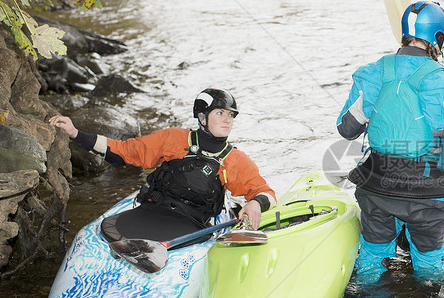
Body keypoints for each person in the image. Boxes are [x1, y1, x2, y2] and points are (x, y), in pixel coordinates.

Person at [337, 1, 444, 283]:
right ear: (438, 39)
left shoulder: (371, 72)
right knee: (428, 268)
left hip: (377, 184)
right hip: (427, 193)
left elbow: (347, 128)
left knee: (371, 258)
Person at [49, 88, 276, 242]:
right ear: (202, 118)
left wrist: (256, 204)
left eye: (231, 115)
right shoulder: (173, 139)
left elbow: (266, 193)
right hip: (151, 211)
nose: (228, 120)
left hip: (192, 225)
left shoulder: (235, 160)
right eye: (220, 113)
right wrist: (76, 133)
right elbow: (123, 152)